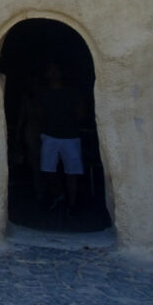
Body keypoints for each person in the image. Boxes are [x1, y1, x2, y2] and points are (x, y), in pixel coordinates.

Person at [37, 61, 85, 213]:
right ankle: (60, 195)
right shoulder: (43, 94)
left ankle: (72, 203)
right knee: (47, 170)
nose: (53, 73)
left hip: (70, 136)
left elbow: (80, 113)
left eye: (55, 70)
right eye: (50, 71)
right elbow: (39, 114)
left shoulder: (72, 92)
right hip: (50, 135)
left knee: (72, 172)